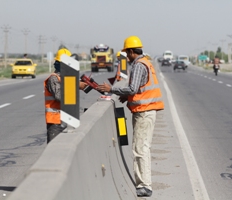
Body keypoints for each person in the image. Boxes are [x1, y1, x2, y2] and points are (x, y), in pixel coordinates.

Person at [97, 36, 164, 197]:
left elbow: (133, 89)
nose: (126, 56)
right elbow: (139, 88)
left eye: (127, 53)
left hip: (144, 112)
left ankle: (145, 185)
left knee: (140, 149)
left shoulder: (139, 65)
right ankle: (144, 183)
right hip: (146, 111)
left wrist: (112, 89)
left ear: (132, 52)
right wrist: (127, 97)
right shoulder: (145, 62)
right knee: (142, 147)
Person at [44, 48, 87, 143]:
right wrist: (76, 85)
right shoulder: (54, 78)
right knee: (54, 150)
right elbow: (60, 97)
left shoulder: (66, 78)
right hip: (55, 121)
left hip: (65, 120)